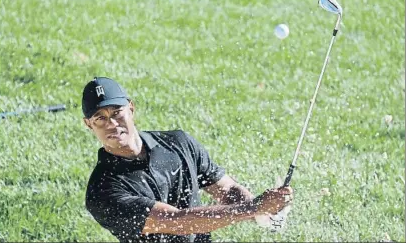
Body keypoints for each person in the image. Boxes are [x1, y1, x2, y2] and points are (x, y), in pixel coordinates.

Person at [82, 77, 293, 243]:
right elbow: (178, 222)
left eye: (117, 112)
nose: (112, 124)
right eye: (100, 118)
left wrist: (262, 212)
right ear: (88, 124)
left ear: (131, 108)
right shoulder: (102, 191)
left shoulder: (178, 142)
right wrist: (255, 208)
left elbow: (227, 190)